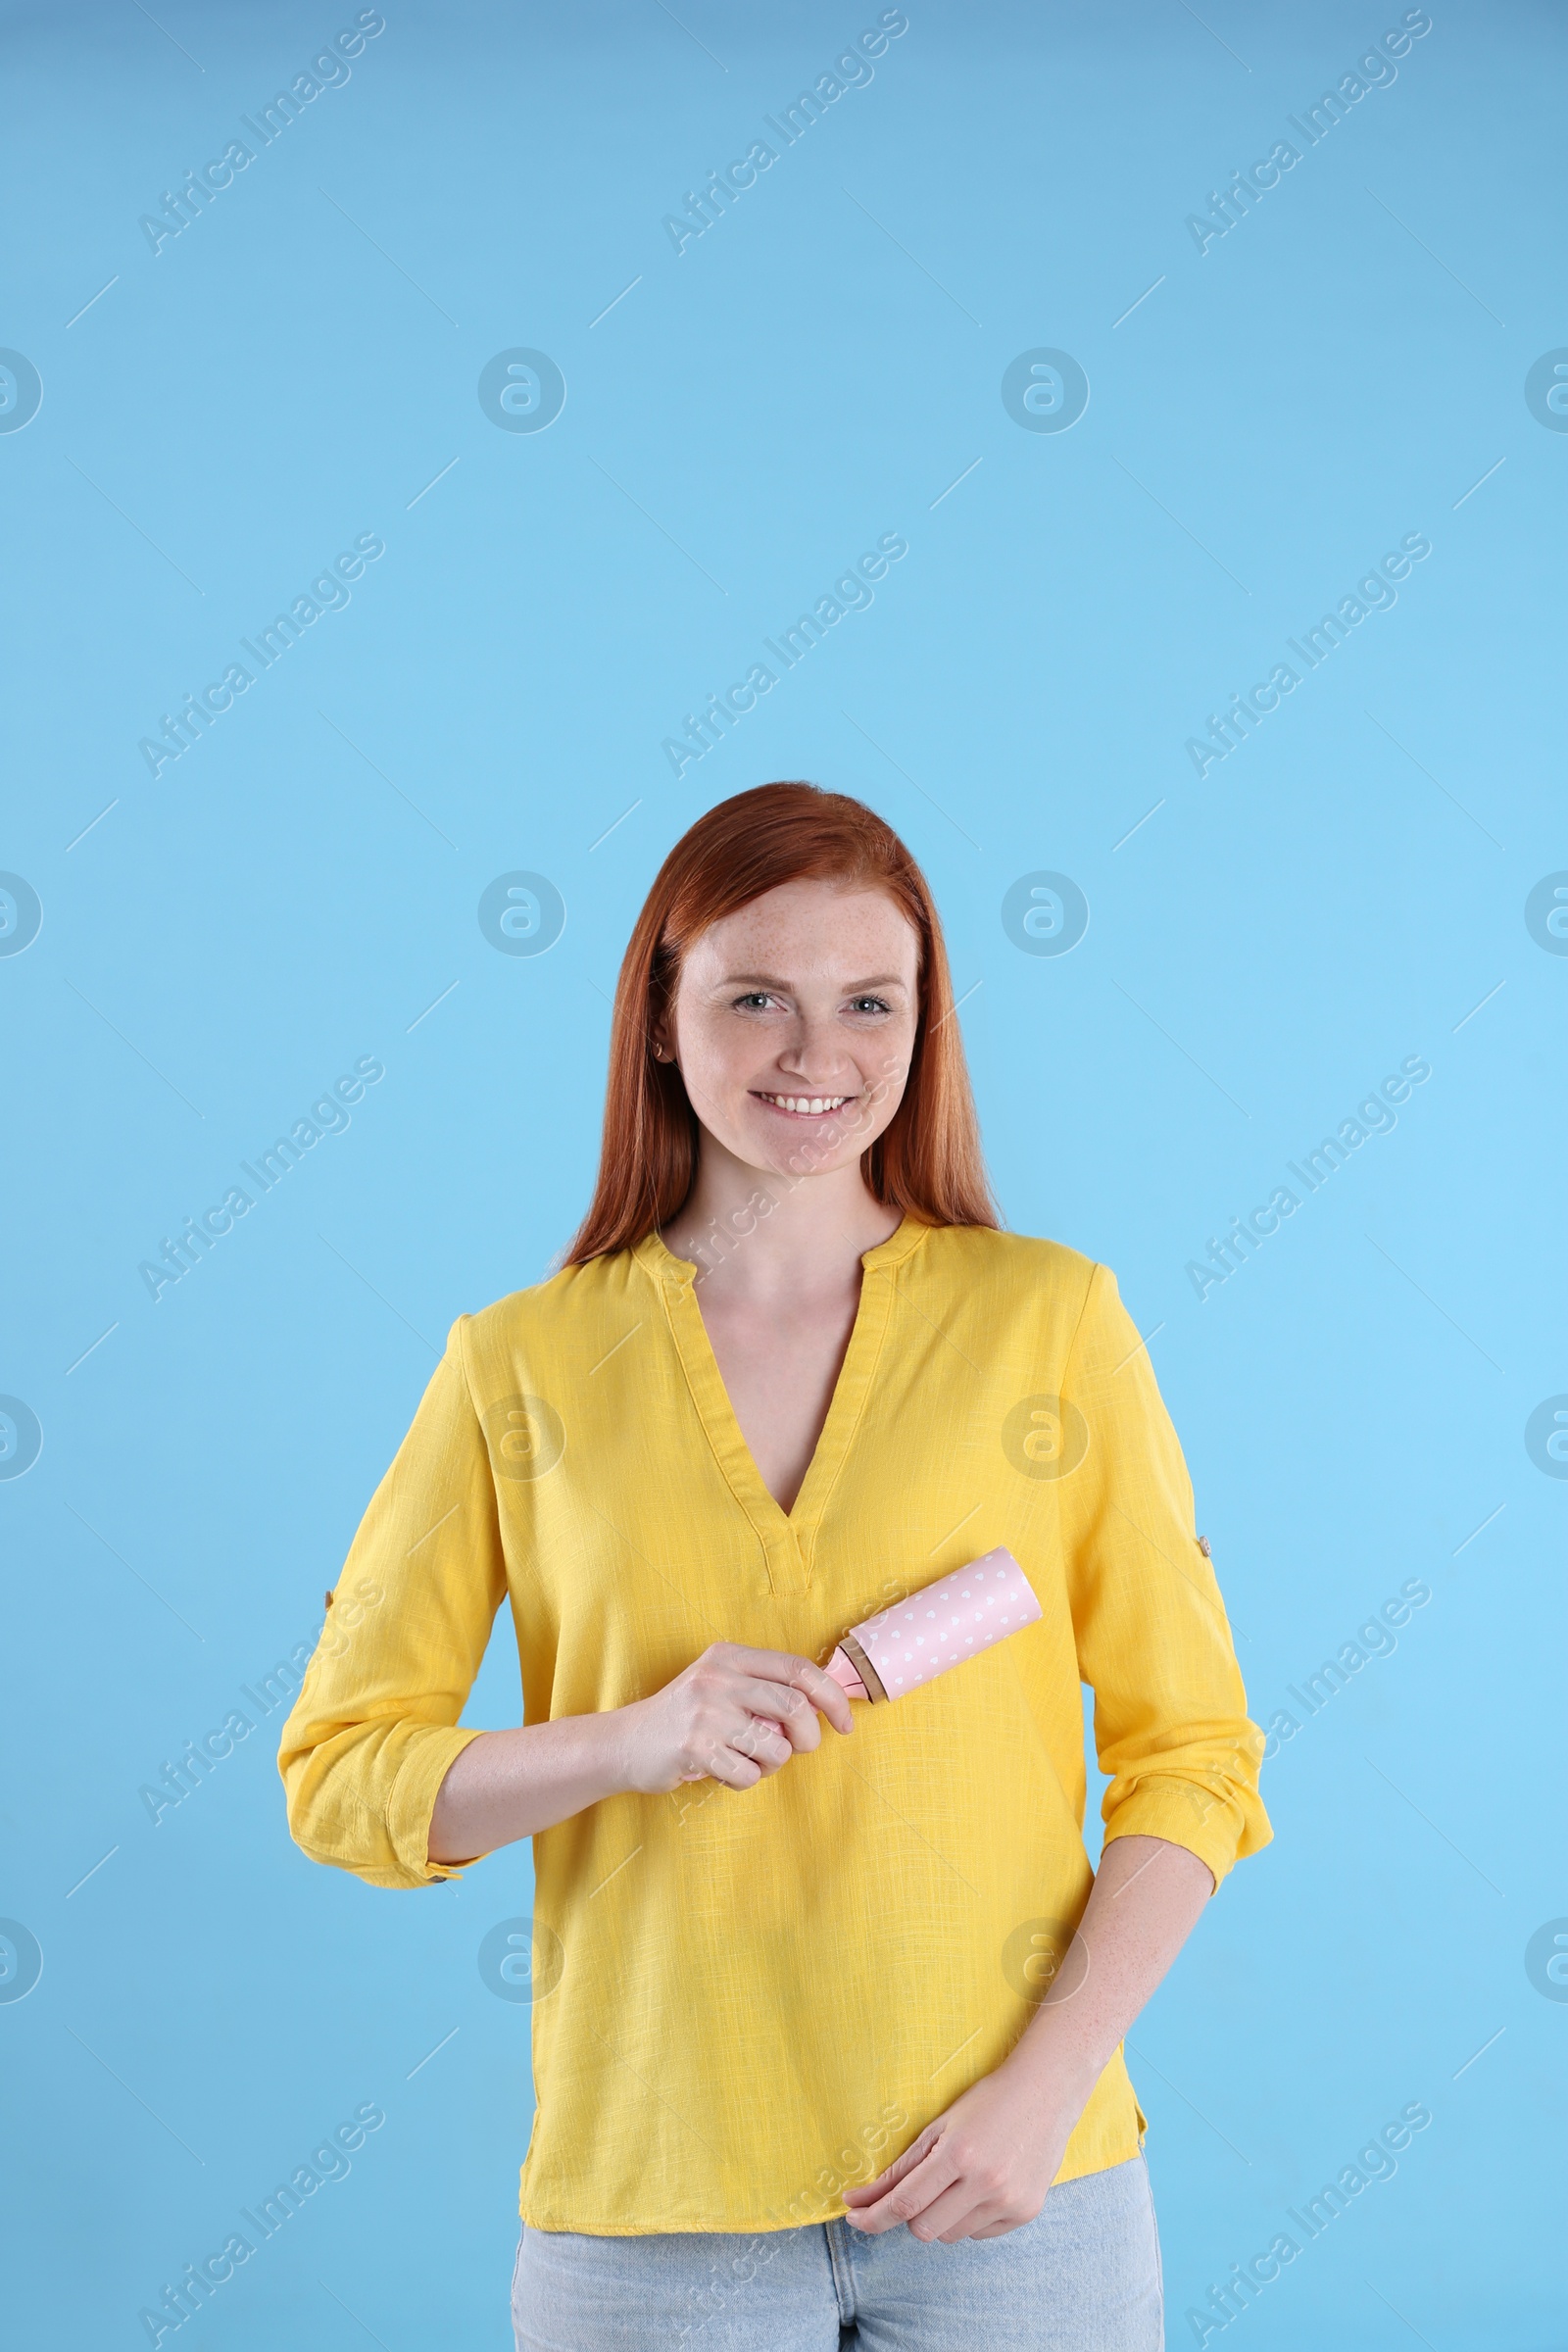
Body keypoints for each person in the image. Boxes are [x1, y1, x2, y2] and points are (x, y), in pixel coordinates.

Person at [279, 780, 1271, 2351]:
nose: (818, 1058)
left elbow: (1197, 1758)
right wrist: (631, 1740)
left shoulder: (1054, 1324)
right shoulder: (517, 1366)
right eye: (757, 999)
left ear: (922, 1027)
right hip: (653, 2202)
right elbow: (342, 1778)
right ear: (664, 1022)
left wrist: (1046, 2087)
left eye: (869, 1002)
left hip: (1016, 2191)